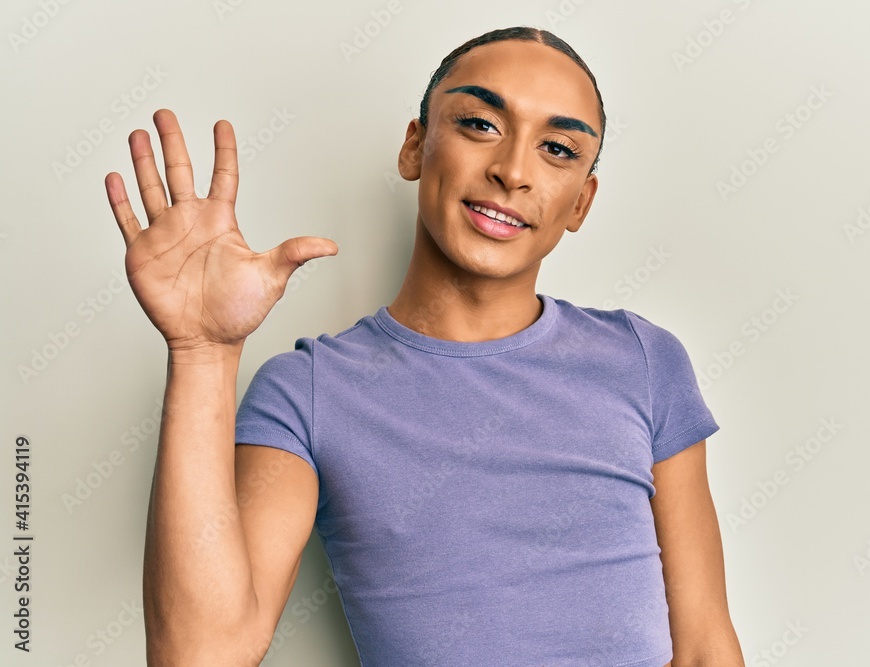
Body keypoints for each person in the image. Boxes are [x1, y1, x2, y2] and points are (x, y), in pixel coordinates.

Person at [104, 25, 744, 667]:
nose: (512, 171)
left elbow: (705, 649)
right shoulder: (310, 393)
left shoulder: (641, 359)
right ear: (415, 146)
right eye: (480, 124)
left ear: (581, 202)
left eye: (556, 148)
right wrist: (203, 352)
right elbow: (201, 654)